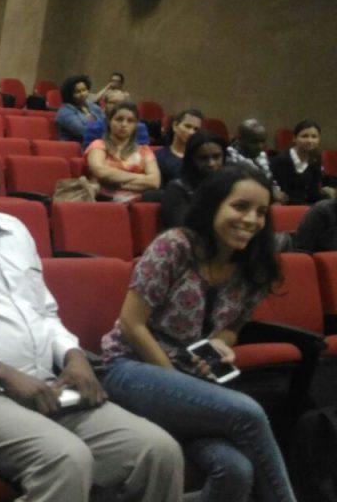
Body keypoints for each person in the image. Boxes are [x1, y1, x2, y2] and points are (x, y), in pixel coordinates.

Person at [0, 134, 184, 501]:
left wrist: (73, 356)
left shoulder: (15, 231)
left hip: (47, 382)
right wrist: (4, 374)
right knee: (66, 459)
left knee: (159, 450)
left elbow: (44, 311)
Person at [101, 163, 296, 501]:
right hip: (130, 369)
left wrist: (219, 345)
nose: (251, 220)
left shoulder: (254, 266)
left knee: (236, 470)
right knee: (247, 412)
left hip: (191, 381)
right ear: (214, 205)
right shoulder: (174, 246)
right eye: (240, 206)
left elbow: (233, 327)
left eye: (261, 212)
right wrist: (178, 385)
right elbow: (132, 324)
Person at [85, 101, 160, 202]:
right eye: (119, 119)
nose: (124, 124)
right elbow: (100, 171)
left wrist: (113, 182)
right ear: (109, 121)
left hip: (138, 201)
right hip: (104, 200)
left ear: (136, 125)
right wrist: (142, 177)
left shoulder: (144, 150)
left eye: (130, 121)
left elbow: (154, 181)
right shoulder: (99, 145)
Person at [160, 131, 227, 229]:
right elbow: (183, 228)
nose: (211, 164)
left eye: (216, 157)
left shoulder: (230, 185)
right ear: (191, 160)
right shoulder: (177, 189)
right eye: (203, 158)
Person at [270, 120, 333, 205]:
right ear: (294, 138)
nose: (310, 140)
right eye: (304, 136)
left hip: (307, 205)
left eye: (314, 137)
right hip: (286, 205)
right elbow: (285, 194)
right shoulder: (281, 160)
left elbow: (314, 193)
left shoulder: (315, 161)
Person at [228, 118, 285, 203]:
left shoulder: (261, 155)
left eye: (263, 141)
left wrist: (276, 190)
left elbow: (270, 179)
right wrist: (271, 194)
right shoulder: (229, 157)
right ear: (240, 139)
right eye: (254, 142)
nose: (260, 146)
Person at [155, 109, 204, 187]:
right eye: (187, 126)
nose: (192, 132)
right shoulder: (158, 156)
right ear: (175, 126)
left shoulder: (201, 159)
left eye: (196, 129)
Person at [56, 75, 107, 144]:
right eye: (77, 92)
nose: (82, 94)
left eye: (84, 90)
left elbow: (106, 123)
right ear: (69, 94)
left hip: (98, 142)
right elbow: (82, 131)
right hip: (76, 146)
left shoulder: (93, 107)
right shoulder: (65, 112)